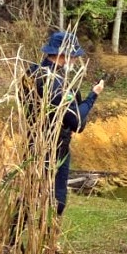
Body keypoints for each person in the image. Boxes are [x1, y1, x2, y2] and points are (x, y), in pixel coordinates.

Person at [24, 31, 104, 216]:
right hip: (53, 146)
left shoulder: (34, 73)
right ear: (63, 55)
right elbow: (76, 121)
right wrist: (93, 96)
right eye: (74, 55)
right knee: (48, 199)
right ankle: (21, 240)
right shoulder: (54, 82)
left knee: (39, 196)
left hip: (35, 142)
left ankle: (29, 240)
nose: (76, 60)